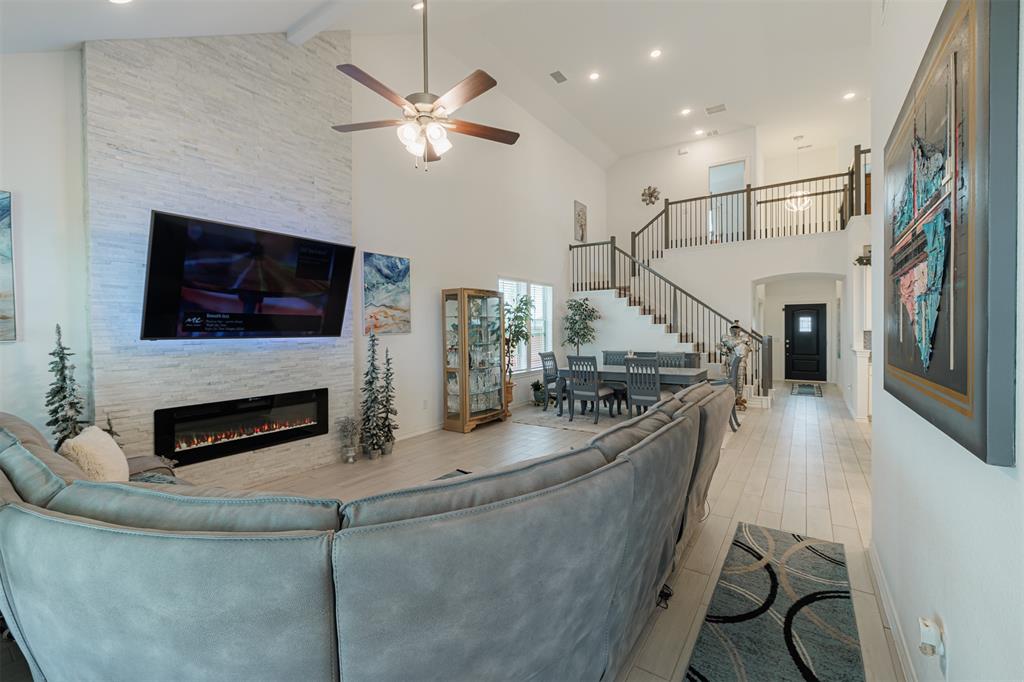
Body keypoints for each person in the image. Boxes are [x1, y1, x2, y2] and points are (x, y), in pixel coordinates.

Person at [718, 320, 751, 411]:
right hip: (731, 360)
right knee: (731, 380)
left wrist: (741, 345)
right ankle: (731, 398)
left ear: (740, 329)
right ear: (730, 329)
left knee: (740, 379)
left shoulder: (745, 337)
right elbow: (724, 348)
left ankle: (739, 398)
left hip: (742, 360)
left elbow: (749, 348)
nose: (735, 330)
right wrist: (740, 342)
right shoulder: (726, 337)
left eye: (737, 328)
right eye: (733, 328)